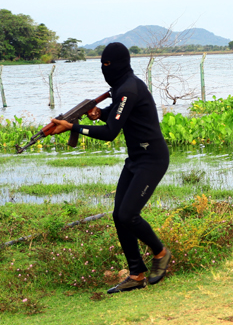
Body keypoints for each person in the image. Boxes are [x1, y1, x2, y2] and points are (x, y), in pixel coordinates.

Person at [48, 43, 172, 294]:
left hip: (153, 159)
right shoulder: (121, 87)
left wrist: (73, 128)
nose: (105, 69)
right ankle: (136, 274)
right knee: (119, 216)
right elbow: (121, 116)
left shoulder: (128, 89)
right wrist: (100, 112)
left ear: (120, 64)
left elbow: (110, 133)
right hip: (136, 159)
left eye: (108, 64)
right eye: (102, 65)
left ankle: (161, 253)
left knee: (128, 215)